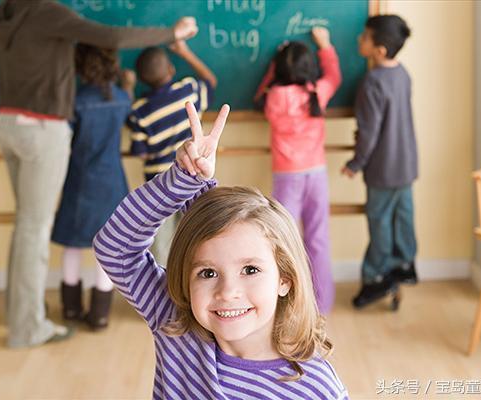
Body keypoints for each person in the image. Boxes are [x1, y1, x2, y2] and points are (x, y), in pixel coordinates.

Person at [93, 102, 349, 399]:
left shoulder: (314, 387)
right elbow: (115, 248)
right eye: (208, 272)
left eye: (250, 270)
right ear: (187, 280)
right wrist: (184, 181)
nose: (228, 292)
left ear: (285, 279)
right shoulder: (174, 321)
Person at [0, 0, 198, 347]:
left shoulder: (5, 13)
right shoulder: (45, 12)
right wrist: (172, 33)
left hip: (8, 124)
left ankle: (20, 313)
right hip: (42, 129)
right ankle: (27, 327)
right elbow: (110, 36)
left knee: (26, 224)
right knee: (33, 227)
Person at [254, 27, 342, 314]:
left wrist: (272, 66)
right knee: (318, 238)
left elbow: (260, 91)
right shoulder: (316, 93)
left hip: (287, 175)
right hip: (316, 173)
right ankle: (322, 303)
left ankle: (289, 302)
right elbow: (334, 77)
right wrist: (325, 46)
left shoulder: (274, 97)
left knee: (283, 238)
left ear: (279, 70)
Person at [50, 44, 135, 330]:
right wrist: (129, 86)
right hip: (112, 182)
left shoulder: (75, 100)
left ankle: (71, 309)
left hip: (80, 180)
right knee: (106, 249)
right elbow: (128, 113)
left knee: (73, 245)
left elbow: (64, 137)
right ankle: (100, 313)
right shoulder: (121, 98)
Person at [341, 15, 418, 309]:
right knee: (403, 217)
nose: (359, 41)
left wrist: (355, 163)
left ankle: (375, 279)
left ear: (380, 50)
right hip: (406, 163)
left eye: (365, 38)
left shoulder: (372, 82)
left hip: (383, 169)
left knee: (380, 223)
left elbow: (370, 134)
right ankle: (405, 264)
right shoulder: (403, 74)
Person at [127, 40, 217, 265]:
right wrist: (186, 52)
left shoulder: (140, 110)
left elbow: (141, 153)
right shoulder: (189, 90)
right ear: (171, 69)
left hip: (160, 188)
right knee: (197, 242)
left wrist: (127, 88)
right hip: (193, 180)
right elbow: (211, 81)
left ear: (142, 79)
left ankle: (166, 294)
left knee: (163, 250)